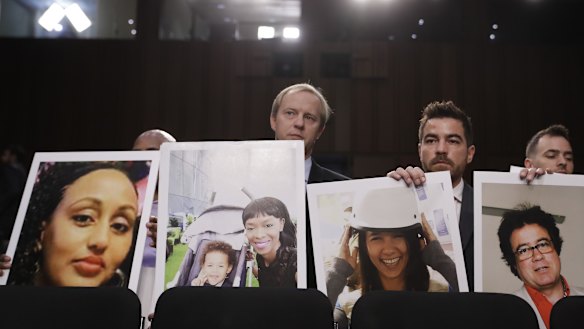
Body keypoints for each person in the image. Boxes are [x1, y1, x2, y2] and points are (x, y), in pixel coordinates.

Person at [327, 187, 458, 329]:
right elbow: (313, 319)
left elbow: (477, 310)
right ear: (363, 246)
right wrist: (338, 270)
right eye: (377, 238)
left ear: (413, 241)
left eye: (398, 236)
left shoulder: (442, 295)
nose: (389, 249)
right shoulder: (347, 308)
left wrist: (439, 260)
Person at [387, 100, 476, 290]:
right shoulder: (399, 199)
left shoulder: (485, 206)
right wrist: (389, 193)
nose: (441, 149)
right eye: (431, 140)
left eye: (453, 140)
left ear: (470, 153)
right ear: (420, 150)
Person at [7, 161, 139, 286]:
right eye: (83, 218)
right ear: (43, 226)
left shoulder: (125, 307)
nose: (101, 241)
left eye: (119, 226)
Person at [270, 82, 350, 288]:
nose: (298, 123)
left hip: (316, 310)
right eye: (290, 113)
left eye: (309, 117)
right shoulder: (242, 182)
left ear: (320, 130)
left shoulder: (343, 191)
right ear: (273, 120)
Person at [497, 204, 584, 329]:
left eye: (543, 244)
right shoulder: (503, 314)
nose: (537, 256)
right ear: (514, 263)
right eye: (523, 250)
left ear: (556, 249)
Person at [242, 196, 297, 287]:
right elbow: (266, 280)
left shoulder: (295, 259)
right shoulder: (260, 257)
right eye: (251, 228)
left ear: (281, 224)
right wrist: (251, 264)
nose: (259, 235)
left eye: (268, 225)